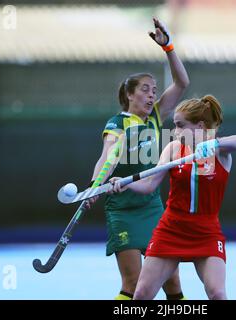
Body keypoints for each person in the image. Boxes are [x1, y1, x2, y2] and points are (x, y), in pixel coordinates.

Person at [110, 95, 236, 300]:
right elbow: (149, 184)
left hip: (206, 231)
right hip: (171, 229)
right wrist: (124, 183)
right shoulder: (174, 149)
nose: (175, 132)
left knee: (218, 293)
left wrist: (214, 143)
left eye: (180, 126)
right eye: (174, 126)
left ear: (200, 126)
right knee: (141, 294)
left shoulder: (220, 152)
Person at [89, 17, 190, 300]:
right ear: (129, 95)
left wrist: (168, 48)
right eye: (145, 89)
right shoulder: (117, 123)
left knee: (172, 283)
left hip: (153, 207)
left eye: (154, 90)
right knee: (133, 283)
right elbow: (106, 157)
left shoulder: (156, 117)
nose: (152, 94)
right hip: (122, 209)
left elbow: (183, 81)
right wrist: (96, 184)